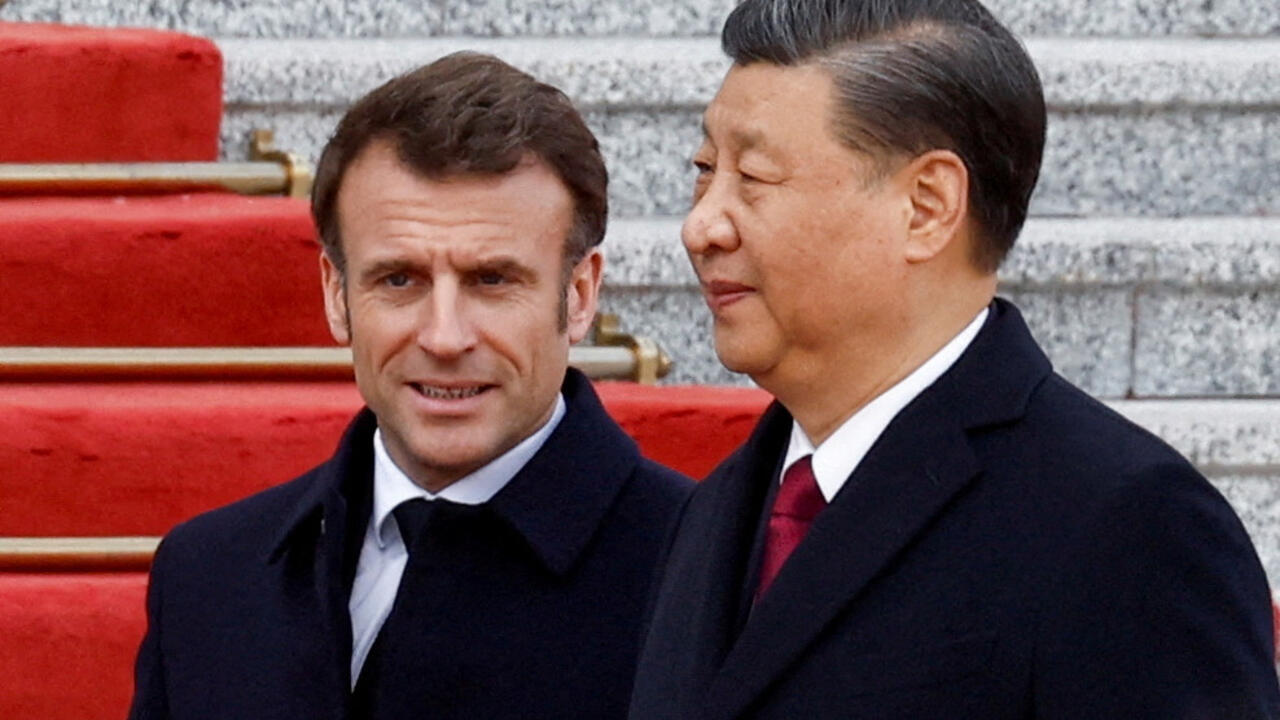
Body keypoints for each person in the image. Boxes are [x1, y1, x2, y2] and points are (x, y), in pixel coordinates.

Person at [629, 1, 1280, 717]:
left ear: (927, 206)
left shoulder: (1125, 527)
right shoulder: (718, 508)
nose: (701, 226)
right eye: (704, 169)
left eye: (753, 176)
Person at [128, 52, 691, 720]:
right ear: (336, 295)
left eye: (492, 280)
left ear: (580, 294)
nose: (444, 337)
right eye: (399, 280)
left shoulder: (709, 581)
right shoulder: (208, 575)